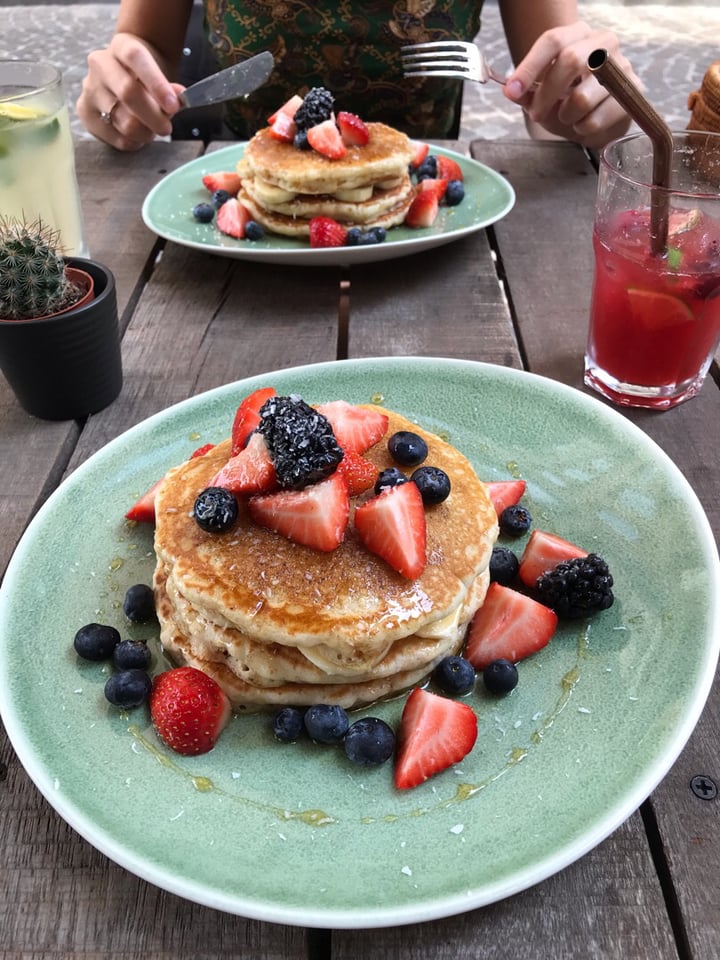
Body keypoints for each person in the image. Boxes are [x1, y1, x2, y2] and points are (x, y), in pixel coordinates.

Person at [77, 0, 639, 151]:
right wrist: (121, 94)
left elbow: (554, 101)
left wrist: (583, 105)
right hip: (247, 232)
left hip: (430, 231)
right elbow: (145, 48)